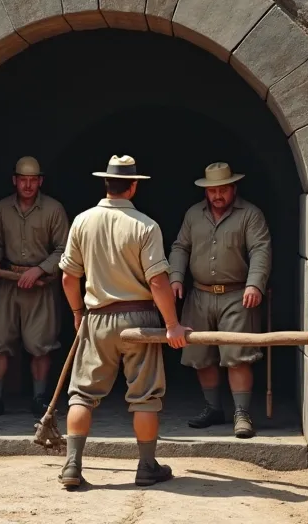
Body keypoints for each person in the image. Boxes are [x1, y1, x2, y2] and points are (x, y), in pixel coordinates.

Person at [57, 155, 192, 489]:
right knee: (145, 396)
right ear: (133, 187)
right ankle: (147, 466)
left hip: (97, 317)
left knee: (82, 395)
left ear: (106, 184)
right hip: (139, 320)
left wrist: (77, 313)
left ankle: (73, 466)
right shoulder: (145, 225)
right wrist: (172, 324)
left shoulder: (82, 222)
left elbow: (68, 278)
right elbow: (159, 281)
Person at [169, 162, 271, 438]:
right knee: (201, 356)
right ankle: (213, 408)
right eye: (212, 190)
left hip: (237, 295)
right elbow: (181, 246)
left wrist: (254, 285)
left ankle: (242, 413)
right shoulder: (193, 214)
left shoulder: (250, 214)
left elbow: (260, 250)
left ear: (233, 188)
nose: (217, 195)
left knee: (237, 356)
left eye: (222, 189)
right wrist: (176, 276)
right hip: (200, 294)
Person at [0, 156, 70, 419]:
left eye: (32, 180)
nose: (27, 185)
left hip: (40, 285)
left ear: (40, 181)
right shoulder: (2, 208)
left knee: (41, 344)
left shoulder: (54, 209)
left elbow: (64, 249)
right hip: (8, 280)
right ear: (14, 180)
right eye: (23, 180)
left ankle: (39, 397)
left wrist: (41, 269)